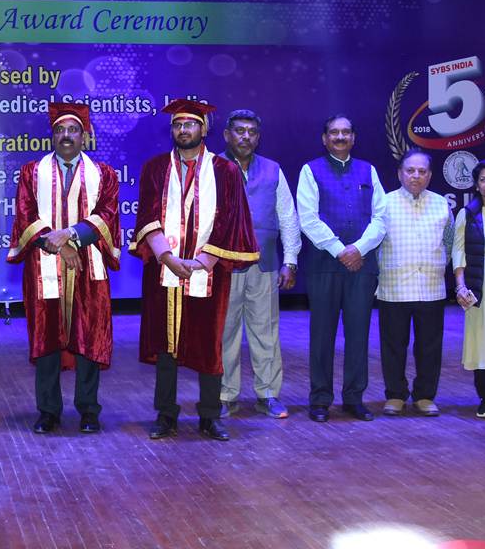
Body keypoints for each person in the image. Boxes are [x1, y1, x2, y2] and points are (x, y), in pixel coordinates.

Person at [132, 99, 258, 442]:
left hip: (210, 271)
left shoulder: (225, 171)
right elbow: (147, 217)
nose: (183, 130)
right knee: (166, 344)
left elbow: (232, 220)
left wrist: (203, 261)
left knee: (208, 343)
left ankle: (209, 416)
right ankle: (166, 415)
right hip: (164, 270)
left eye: (190, 124)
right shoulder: (155, 168)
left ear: (204, 129)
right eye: (178, 124)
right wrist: (168, 258)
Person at [7, 103, 120, 434]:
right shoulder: (31, 173)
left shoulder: (104, 174)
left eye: (73, 130)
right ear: (52, 136)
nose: (66, 136)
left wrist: (71, 236)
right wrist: (59, 246)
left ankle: (88, 410)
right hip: (44, 265)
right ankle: (48, 411)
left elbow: (108, 214)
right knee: (47, 338)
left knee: (89, 336)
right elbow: (26, 216)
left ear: (84, 137)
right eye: (59, 130)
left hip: (89, 266)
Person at [297, 114, 385, 422]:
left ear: (354, 138)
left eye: (346, 132)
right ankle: (320, 399)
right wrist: (339, 250)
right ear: (324, 139)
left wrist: (358, 249)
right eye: (334, 132)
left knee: (358, 335)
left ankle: (354, 398)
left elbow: (380, 218)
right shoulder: (310, 170)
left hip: (362, 265)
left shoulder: (369, 170)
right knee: (322, 335)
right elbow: (308, 219)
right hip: (324, 265)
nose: (340, 137)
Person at [219, 110, 301, 420]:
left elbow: (288, 216)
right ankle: (225, 395)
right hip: (224, 265)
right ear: (227, 135)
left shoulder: (272, 170)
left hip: (264, 265)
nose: (245, 137)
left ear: (258, 137)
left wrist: (290, 260)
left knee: (266, 332)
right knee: (224, 333)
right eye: (239, 131)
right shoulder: (212, 167)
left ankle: (268, 394)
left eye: (251, 132)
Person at [377, 149, 453, 417]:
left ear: (430, 176)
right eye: (410, 170)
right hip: (394, 287)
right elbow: (373, 243)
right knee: (393, 346)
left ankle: (424, 396)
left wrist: (439, 266)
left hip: (431, 287)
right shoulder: (384, 203)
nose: (416, 176)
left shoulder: (441, 205)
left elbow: (450, 243)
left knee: (429, 347)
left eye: (422, 171)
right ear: (400, 173)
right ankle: (395, 395)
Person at [453, 159, 485, 419]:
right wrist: (460, 286)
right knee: (482, 340)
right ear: (476, 185)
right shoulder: (467, 214)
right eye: (484, 179)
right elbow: (458, 252)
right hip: (480, 283)